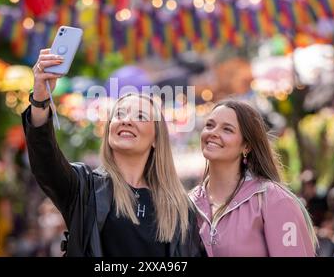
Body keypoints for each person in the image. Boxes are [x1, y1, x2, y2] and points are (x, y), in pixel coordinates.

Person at [21, 48, 204, 257]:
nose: (126, 120)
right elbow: (44, 159)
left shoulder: (180, 208)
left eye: (141, 116)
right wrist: (40, 98)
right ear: (109, 129)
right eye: (119, 114)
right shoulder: (85, 188)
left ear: (156, 138)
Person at [189, 99, 317, 256]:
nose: (213, 132)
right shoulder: (188, 204)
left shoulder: (273, 199)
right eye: (209, 125)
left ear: (247, 146)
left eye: (227, 129)